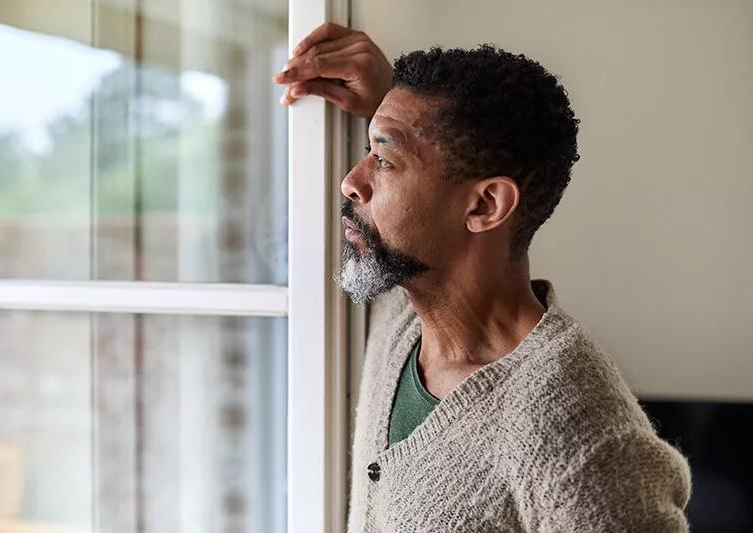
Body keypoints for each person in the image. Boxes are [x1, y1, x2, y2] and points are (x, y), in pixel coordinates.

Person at [273, 22, 692, 533]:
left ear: (485, 204)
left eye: (382, 159)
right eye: (368, 151)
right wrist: (387, 105)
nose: (352, 182)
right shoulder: (408, 304)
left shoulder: (582, 433)